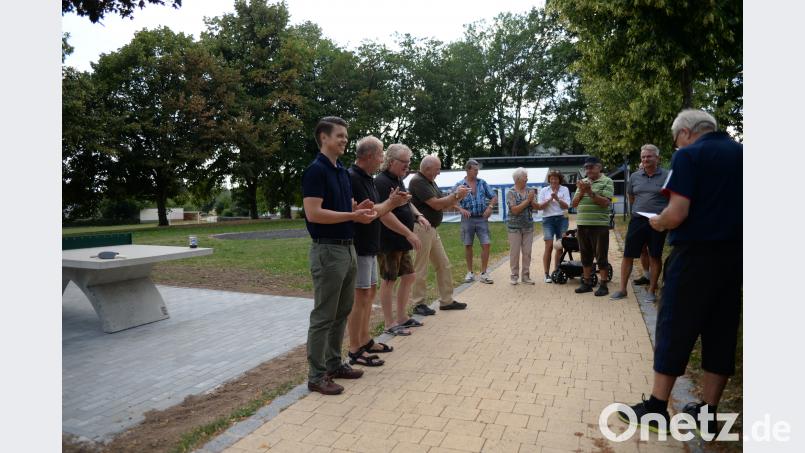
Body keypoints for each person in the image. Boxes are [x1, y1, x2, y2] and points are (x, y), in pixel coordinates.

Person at [618, 109, 742, 438]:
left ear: (686, 132)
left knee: (674, 326)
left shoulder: (689, 156)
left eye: (676, 140)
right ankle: (708, 413)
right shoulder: (743, 154)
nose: (677, 146)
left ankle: (656, 408)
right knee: (721, 331)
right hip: (734, 258)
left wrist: (658, 222)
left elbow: (676, 212)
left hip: (694, 256)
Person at [301, 116, 377, 395]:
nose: (345, 140)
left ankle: (334, 364)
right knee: (324, 314)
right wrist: (352, 215)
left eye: (346, 135)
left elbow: (345, 209)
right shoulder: (315, 171)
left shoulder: (341, 172)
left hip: (348, 247)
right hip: (328, 250)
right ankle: (316, 375)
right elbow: (314, 213)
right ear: (324, 138)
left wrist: (358, 208)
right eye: (339, 135)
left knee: (342, 310)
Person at [346, 136, 411, 367]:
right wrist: (391, 204)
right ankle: (355, 348)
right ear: (369, 156)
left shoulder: (367, 178)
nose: (383, 159)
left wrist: (392, 202)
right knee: (360, 297)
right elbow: (368, 213)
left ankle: (365, 340)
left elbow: (376, 209)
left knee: (369, 293)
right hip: (360, 246)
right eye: (381, 154)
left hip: (371, 246)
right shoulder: (352, 178)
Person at [375, 144, 429, 336]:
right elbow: (384, 214)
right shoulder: (381, 182)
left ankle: (402, 318)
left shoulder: (398, 179)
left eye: (409, 161)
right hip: (388, 240)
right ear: (390, 161)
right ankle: (389, 324)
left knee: (409, 276)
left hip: (401, 240)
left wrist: (418, 215)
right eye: (404, 162)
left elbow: (406, 201)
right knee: (389, 280)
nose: (408, 165)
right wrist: (408, 233)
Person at [409, 155, 471, 312]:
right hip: (421, 228)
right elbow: (436, 205)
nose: (439, 172)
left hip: (431, 229)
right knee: (421, 267)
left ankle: (446, 301)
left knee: (443, 264)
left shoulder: (430, 181)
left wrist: (457, 196)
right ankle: (418, 303)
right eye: (437, 169)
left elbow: (444, 202)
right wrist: (456, 195)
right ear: (427, 168)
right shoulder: (418, 181)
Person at [610, 144, 669, 303]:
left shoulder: (667, 176)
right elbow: (631, 196)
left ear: (657, 158)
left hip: (658, 221)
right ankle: (622, 289)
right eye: (643, 157)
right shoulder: (635, 176)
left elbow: (673, 198)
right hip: (637, 220)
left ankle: (651, 290)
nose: (645, 159)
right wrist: (640, 209)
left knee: (655, 255)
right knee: (628, 254)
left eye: (649, 156)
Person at [571, 156, 614, 296]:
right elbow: (574, 204)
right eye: (586, 168)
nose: (588, 170)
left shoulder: (607, 181)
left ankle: (603, 285)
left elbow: (606, 203)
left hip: (599, 225)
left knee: (601, 255)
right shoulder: (583, 182)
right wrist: (582, 191)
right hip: (582, 224)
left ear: (599, 167)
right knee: (585, 255)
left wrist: (589, 192)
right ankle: (587, 283)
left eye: (591, 167)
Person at [455, 159, 498, 284]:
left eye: (478, 170)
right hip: (467, 219)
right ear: (468, 170)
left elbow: (493, 197)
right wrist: (461, 209)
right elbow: (451, 200)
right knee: (468, 244)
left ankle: (484, 273)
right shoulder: (460, 185)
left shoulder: (482, 183)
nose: (477, 172)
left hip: (482, 218)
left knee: (486, 244)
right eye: (475, 170)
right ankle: (470, 272)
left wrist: (490, 207)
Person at [505, 168, 539, 285]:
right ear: (518, 179)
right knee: (514, 253)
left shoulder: (530, 190)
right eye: (525, 178)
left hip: (528, 226)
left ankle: (526, 276)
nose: (527, 180)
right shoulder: (511, 192)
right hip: (514, 228)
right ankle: (514, 276)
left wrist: (532, 201)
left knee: (527, 253)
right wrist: (528, 200)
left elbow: (536, 207)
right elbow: (515, 210)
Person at [536, 170, 571, 283]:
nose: (554, 181)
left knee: (559, 246)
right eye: (551, 179)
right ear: (549, 180)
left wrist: (557, 198)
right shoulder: (544, 190)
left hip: (562, 218)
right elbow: (540, 207)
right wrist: (550, 199)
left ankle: (556, 272)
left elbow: (567, 206)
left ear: (559, 180)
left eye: (556, 178)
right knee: (549, 246)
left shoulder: (565, 189)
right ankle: (546, 274)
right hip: (548, 220)